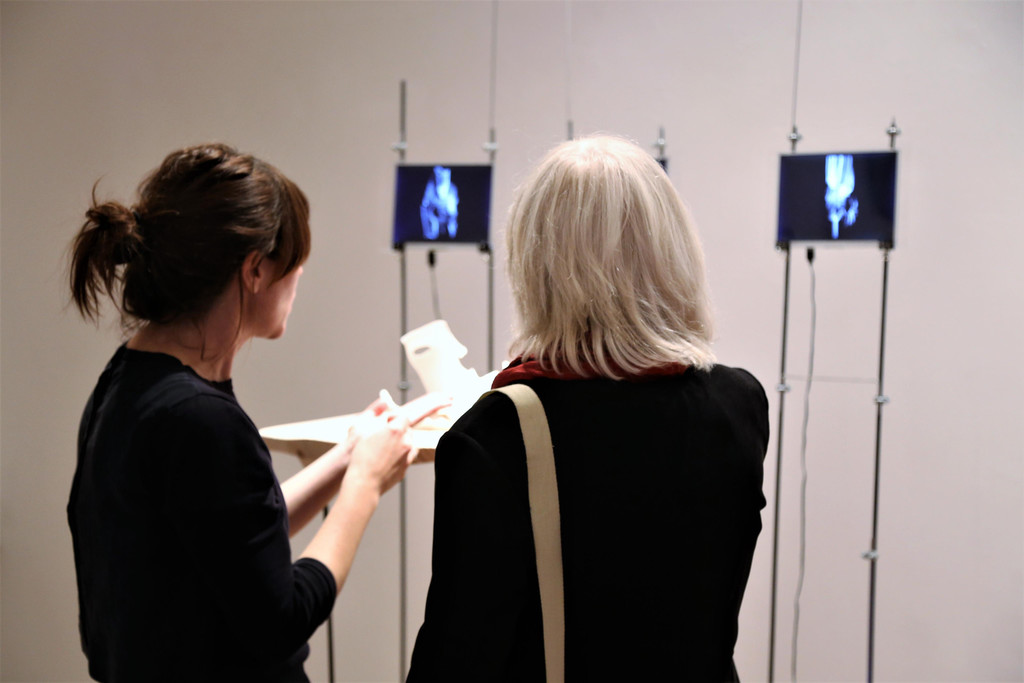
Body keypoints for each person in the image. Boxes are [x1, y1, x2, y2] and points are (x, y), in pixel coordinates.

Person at [66, 143, 446, 682]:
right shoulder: (200, 420)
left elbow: (231, 537)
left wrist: (349, 454)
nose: (300, 276)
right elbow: (280, 619)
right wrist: (364, 485)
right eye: (295, 261)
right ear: (255, 270)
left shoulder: (130, 383)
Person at [407, 135, 769, 681]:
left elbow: (456, 658)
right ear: (674, 252)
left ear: (535, 266)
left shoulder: (497, 433)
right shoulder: (739, 403)